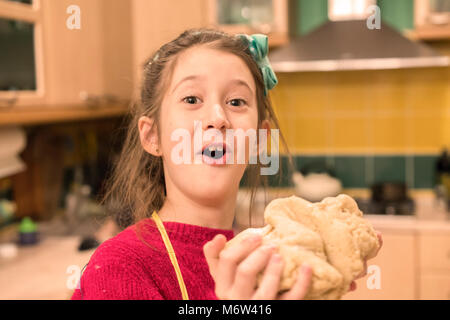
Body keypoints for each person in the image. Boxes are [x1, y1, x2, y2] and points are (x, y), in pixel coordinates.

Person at [71, 28, 381, 300]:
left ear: (260, 139)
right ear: (153, 136)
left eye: (236, 102)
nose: (218, 118)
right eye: (192, 99)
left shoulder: (267, 262)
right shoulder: (119, 267)